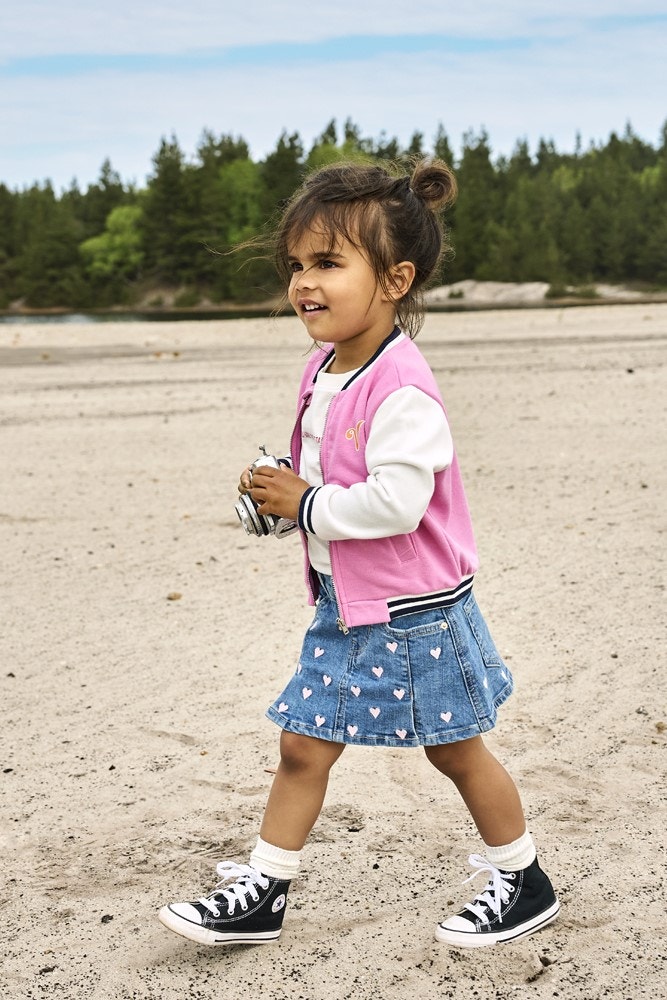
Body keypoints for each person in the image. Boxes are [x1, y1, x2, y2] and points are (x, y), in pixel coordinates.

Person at [158, 158, 559, 949]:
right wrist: (280, 499)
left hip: (414, 614)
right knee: (302, 744)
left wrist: (305, 504)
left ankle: (524, 881)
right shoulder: (325, 367)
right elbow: (332, 479)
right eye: (295, 264)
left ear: (395, 280)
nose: (304, 282)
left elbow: (395, 503)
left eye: (328, 263)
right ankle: (266, 891)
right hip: (349, 608)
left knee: (455, 752)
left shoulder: (401, 387)